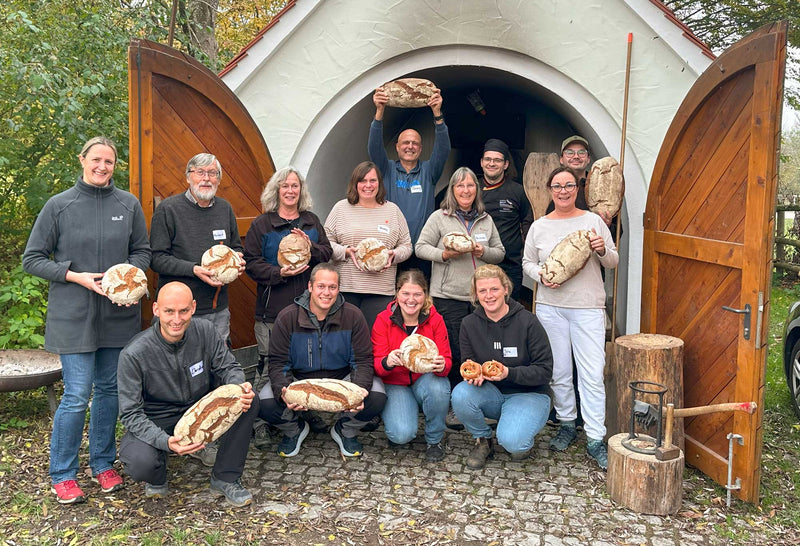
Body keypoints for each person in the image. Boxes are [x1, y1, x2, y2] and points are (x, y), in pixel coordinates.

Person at [22, 136, 151, 504]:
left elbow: (142, 251)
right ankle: (62, 474)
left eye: (109, 162)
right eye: (96, 160)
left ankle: (103, 464)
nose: (102, 167)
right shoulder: (59, 205)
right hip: (73, 315)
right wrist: (74, 276)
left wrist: (129, 277)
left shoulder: (127, 205)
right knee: (77, 395)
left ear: (115, 166)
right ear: (82, 160)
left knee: (109, 392)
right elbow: (32, 259)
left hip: (117, 315)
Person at [117, 282, 258, 507]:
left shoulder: (205, 331)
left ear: (193, 307)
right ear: (155, 309)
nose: (177, 319)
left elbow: (229, 367)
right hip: (158, 416)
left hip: (199, 406)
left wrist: (238, 387)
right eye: (169, 311)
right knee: (140, 462)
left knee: (248, 399)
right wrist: (164, 441)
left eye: (183, 311)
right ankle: (158, 470)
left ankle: (225, 477)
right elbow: (130, 413)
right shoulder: (133, 354)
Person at [522, 167, 618, 469]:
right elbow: (527, 262)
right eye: (557, 186)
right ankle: (566, 423)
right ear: (550, 190)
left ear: (578, 188)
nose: (563, 191)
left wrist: (602, 250)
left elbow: (613, 261)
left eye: (568, 185)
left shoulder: (593, 222)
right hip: (551, 306)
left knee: (591, 374)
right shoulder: (539, 226)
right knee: (560, 371)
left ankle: (594, 437)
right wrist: (540, 275)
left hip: (587, 307)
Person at [260, 263, 386, 458]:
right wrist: (284, 390)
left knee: (376, 395)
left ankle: (345, 429)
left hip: (342, 379)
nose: (326, 292)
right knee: (265, 401)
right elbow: (277, 362)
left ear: (338, 289)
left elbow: (362, 360)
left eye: (332, 287)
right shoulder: (287, 317)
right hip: (300, 380)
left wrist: (359, 390)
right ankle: (295, 429)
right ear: (310, 287)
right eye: (321, 286)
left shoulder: (353, 315)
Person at [451, 265, 553, 469]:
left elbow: (544, 371)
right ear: (476, 294)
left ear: (506, 289)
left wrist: (509, 373)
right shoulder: (469, 324)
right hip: (492, 394)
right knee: (461, 393)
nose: (489, 296)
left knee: (514, 444)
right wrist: (475, 376)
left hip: (529, 394)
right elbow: (468, 363)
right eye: (483, 291)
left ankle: (518, 433)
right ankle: (483, 439)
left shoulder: (528, 322)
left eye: (494, 289)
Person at [244, 167, 333, 394]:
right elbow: (251, 264)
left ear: (301, 190)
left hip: (308, 309)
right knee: (270, 365)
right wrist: (278, 273)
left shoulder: (311, 221)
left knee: (305, 364)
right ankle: (260, 418)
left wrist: (309, 246)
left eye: (295, 186)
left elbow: (326, 253)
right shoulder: (262, 224)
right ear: (277, 190)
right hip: (272, 310)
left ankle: (306, 411)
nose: (290, 190)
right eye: (285, 186)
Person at [415, 167, 505, 389]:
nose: (466, 190)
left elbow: (500, 252)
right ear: (452, 190)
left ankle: (480, 396)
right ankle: (455, 400)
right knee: (454, 351)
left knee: (481, 348)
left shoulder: (486, 219)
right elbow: (420, 248)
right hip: (448, 295)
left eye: (470, 185)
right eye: (460, 185)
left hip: (481, 297)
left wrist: (482, 251)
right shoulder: (439, 217)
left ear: (477, 189)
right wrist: (444, 255)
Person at [149, 153, 245, 345]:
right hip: (178, 314)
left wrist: (239, 261)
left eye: (212, 173)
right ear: (188, 176)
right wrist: (193, 269)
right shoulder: (169, 209)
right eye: (200, 172)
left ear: (218, 179)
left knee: (217, 368)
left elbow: (235, 247)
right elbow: (156, 258)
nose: (206, 178)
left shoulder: (224, 209)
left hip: (217, 311)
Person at [368, 84, 451, 277]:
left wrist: (437, 114)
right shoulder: (386, 169)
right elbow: (374, 147)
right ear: (397, 147)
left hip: (421, 248)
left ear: (421, 149)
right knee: (393, 297)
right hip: (391, 248)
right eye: (406, 142)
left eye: (415, 143)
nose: (410, 146)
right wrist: (380, 111)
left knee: (419, 297)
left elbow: (443, 149)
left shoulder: (429, 171)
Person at [371, 269, 451, 461]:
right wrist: (387, 361)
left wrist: (442, 366)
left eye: (417, 294)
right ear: (397, 294)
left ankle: (435, 439)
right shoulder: (383, 320)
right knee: (401, 436)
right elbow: (375, 365)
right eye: (406, 293)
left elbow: (447, 360)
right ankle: (402, 413)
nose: (411, 300)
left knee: (439, 388)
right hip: (395, 384)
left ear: (425, 295)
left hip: (424, 380)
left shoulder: (435, 319)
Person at [324, 161, 413, 329]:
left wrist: (393, 255)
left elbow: (407, 246)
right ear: (355, 184)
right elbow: (325, 242)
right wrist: (345, 251)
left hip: (381, 292)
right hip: (346, 288)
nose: (368, 185)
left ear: (379, 183)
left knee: (375, 341)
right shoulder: (341, 208)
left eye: (373, 181)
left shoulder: (392, 210)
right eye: (362, 181)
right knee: (346, 339)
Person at [478, 138, 533, 302]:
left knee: (509, 313)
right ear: (481, 162)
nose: (492, 163)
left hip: (510, 266)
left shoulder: (518, 191)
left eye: (497, 160)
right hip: (478, 264)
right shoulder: (471, 189)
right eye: (488, 159)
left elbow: (528, 222)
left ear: (506, 164)